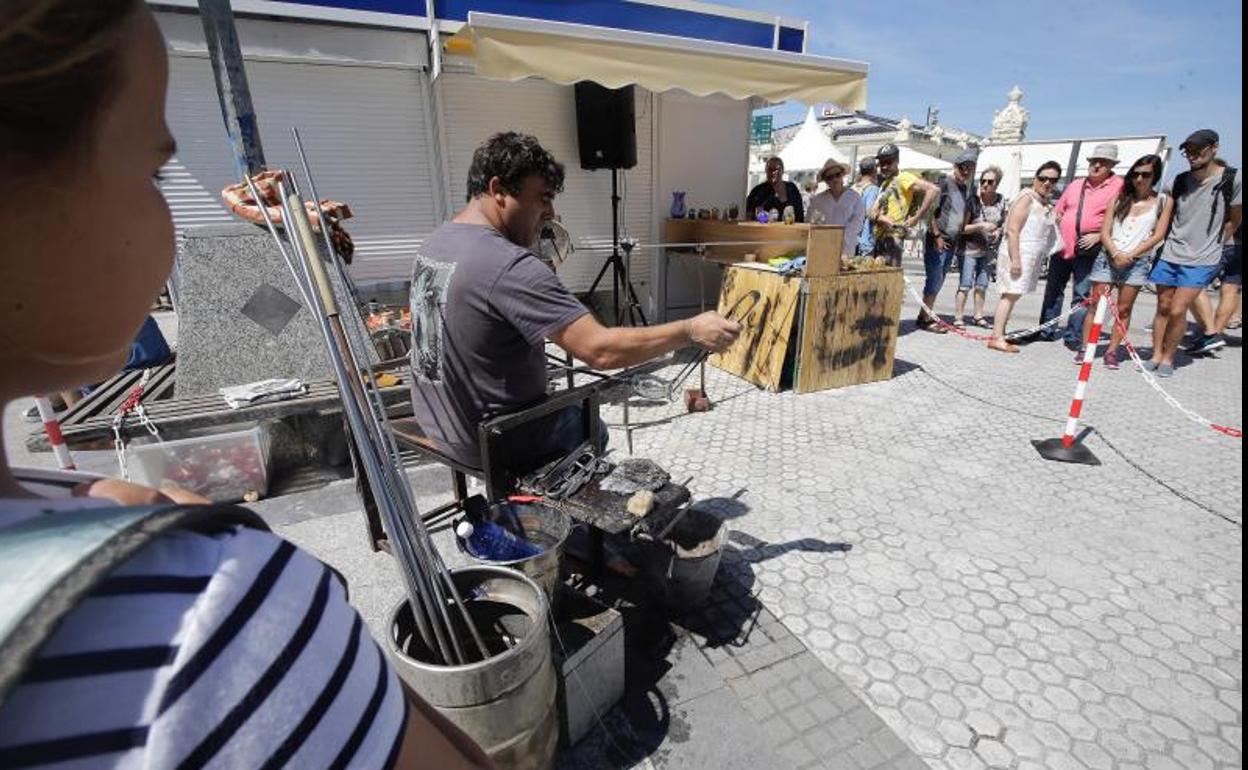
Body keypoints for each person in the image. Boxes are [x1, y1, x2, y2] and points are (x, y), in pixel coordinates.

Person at [0, 3, 492, 768]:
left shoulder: (68, 516)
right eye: (153, 170)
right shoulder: (204, 617)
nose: (171, 217)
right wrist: (298, 618)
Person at [409, 131, 741, 471]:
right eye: (543, 198)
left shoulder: (437, 241)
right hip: (489, 440)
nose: (551, 212)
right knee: (589, 425)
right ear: (499, 190)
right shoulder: (508, 265)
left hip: (436, 421)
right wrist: (690, 329)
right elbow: (600, 350)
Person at [1145, 129, 1241, 377]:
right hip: (1171, 252)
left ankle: (1168, 357)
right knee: (1163, 306)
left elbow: (1235, 219)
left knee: (1178, 309)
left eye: (1198, 149)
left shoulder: (1232, 179)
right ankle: (1156, 353)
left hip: (1202, 257)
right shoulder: (1177, 181)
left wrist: (1215, 243)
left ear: (1214, 148)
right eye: (1188, 150)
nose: (1192, 154)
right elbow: (1164, 214)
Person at [1079, 154, 1174, 368]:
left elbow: (1158, 235)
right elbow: (1105, 231)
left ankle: (1112, 351)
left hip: (1136, 261)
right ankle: (1086, 347)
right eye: (1136, 174)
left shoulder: (1163, 201)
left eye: (1145, 175)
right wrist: (1115, 252)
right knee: (1095, 305)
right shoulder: (1119, 198)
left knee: (1123, 309)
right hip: (1108, 256)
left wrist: (1131, 255)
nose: (1139, 179)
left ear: (1154, 176)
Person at [1039, 143, 1125, 345]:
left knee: (1082, 293)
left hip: (1089, 249)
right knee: (1053, 289)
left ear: (1111, 165)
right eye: (1093, 161)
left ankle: (1073, 335)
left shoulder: (1118, 186)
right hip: (1062, 246)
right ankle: (1046, 330)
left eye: (1101, 163)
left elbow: (1121, 219)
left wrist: (1099, 235)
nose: (1095, 165)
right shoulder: (1076, 184)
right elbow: (1059, 210)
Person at [988, 161, 1064, 353]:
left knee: (1013, 294)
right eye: (1043, 178)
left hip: (1029, 256)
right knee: (1010, 294)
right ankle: (996, 336)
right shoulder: (1027, 197)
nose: (1047, 183)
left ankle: (999, 333)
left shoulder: (1042, 200)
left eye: (1052, 180)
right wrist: (1015, 260)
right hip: (1018, 254)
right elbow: (1013, 229)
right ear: (1035, 177)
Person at [1185, 156, 1242, 354]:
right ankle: (1215, 333)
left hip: (1224, 243)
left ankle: (1210, 333)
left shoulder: (1225, 187)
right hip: (1238, 246)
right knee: (1230, 289)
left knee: (1192, 284)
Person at [918, 149, 978, 331]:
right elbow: (930, 212)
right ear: (955, 167)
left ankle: (925, 314)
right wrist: (936, 235)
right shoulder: (944, 184)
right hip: (938, 239)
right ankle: (925, 318)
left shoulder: (966, 189)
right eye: (962, 167)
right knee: (934, 278)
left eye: (969, 168)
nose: (965, 171)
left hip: (952, 241)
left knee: (940, 279)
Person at [954, 165, 1009, 329]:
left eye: (990, 182)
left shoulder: (1001, 201)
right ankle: (958, 317)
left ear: (996, 184)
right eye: (982, 181)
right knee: (964, 284)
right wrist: (981, 225)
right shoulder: (973, 201)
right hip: (969, 249)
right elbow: (961, 228)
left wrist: (999, 231)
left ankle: (978, 316)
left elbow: (1005, 223)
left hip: (988, 250)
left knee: (982, 284)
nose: (985, 184)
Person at [867, 143, 939, 267]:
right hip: (880, 238)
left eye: (888, 162)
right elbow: (871, 212)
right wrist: (881, 218)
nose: (884, 167)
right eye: (881, 163)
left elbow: (933, 190)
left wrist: (917, 217)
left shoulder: (903, 177)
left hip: (893, 239)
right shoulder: (885, 183)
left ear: (897, 161)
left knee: (890, 281)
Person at [806, 158, 864, 256]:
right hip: (823, 247)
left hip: (846, 248)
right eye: (830, 177)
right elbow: (809, 221)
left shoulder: (854, 197)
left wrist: (842, 235)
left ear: (843, 175)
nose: (834, 179)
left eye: (837, 175)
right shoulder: (817, 201)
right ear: (825, 180)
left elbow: (858, 220)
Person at [746, 156, 804, 223]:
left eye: (777, 169)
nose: (773, 172)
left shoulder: (792, 188)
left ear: (782, 171)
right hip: (764, 231)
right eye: (770, 169)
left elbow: (800, 214)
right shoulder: (757, 191)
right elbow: (749, 215)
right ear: (766, 171)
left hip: (790, 231)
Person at [853, 158, 881, 256]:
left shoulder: (853, 188)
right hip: (865, 241)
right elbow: (870, 213)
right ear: (874, 170)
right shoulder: (872, 189)